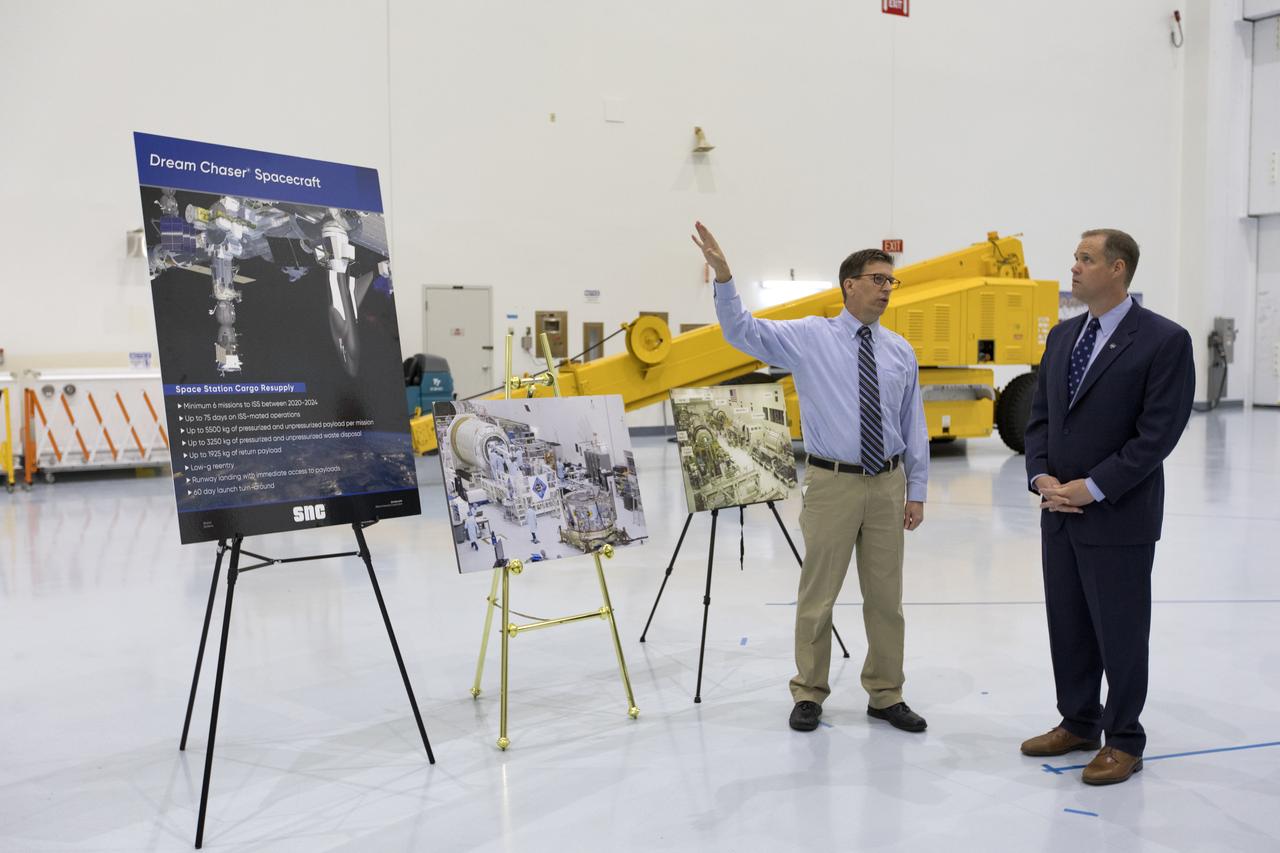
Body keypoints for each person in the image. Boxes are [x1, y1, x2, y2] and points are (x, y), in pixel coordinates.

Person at [692, 222, 929, 734]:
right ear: (850, 284)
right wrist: (726, 278)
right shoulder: (809, 338)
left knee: (887, 599)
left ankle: (886, 693)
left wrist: (918, 489)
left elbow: (914, 424)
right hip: (832, 484)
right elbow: (742, 332)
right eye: (878, 279)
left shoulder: (899, 351)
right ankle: (809, 691)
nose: (887, 289)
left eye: (892, 281)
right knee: (818, 595)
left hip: (887, 485)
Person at [1022, 228, 1194, 785]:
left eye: (1086, 259)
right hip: (1059, 511)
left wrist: (1091, 487)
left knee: (1119, 630)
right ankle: (1078, 721)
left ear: (1118, 269)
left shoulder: (1164, 340)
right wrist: (1041, 476)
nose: (1074, 267)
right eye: (1075, 257)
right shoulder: (1063, 336)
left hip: (1116, 514)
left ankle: (1124, 739)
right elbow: (1041, 418)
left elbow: (1158, 434)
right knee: (1067, 624)